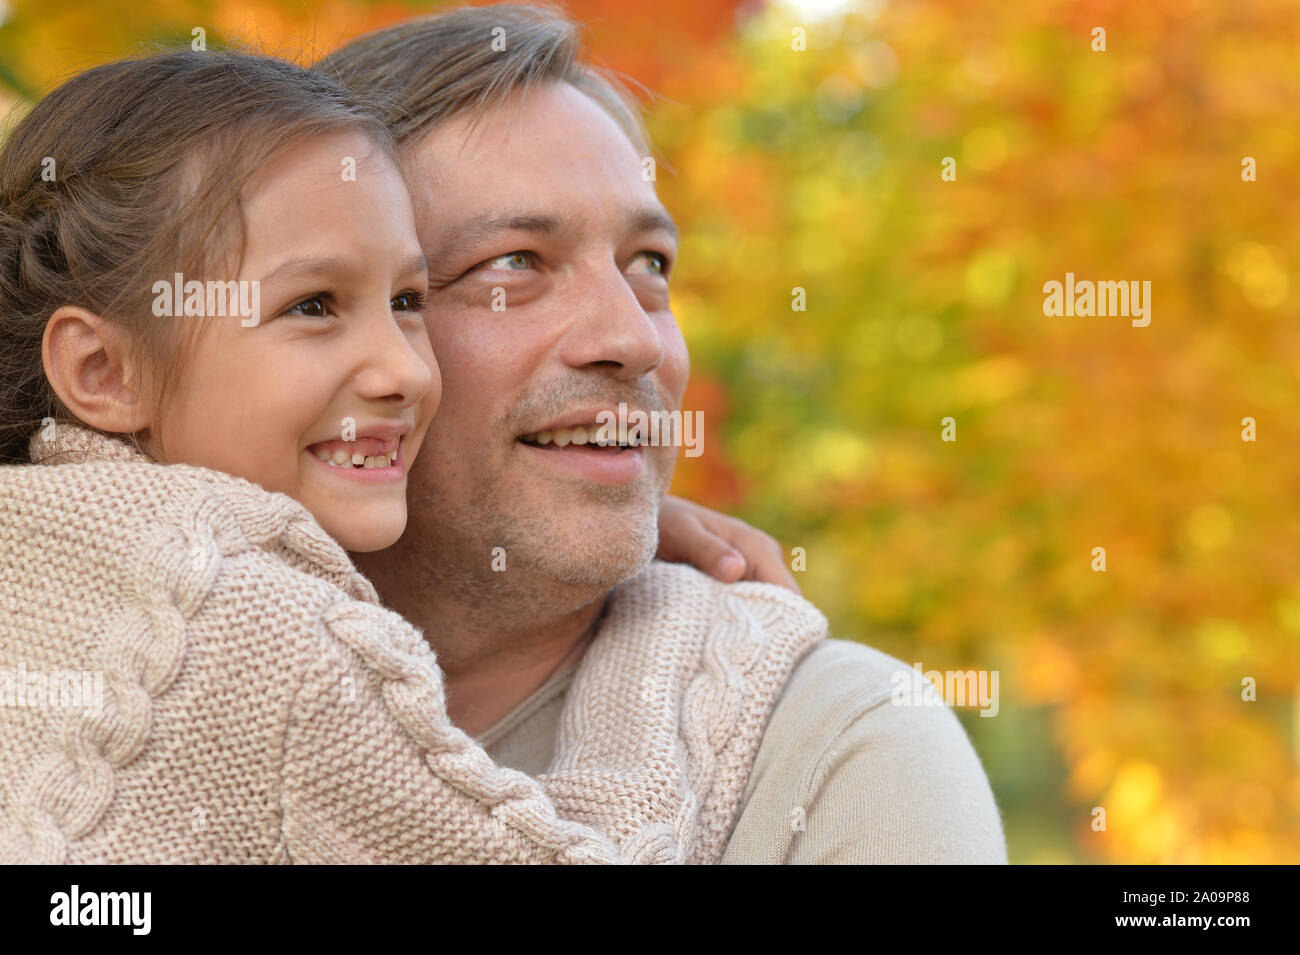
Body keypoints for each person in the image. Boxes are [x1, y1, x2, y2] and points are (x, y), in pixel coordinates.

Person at [0, 50, 809, 864]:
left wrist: (593, 494)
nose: (406, 370)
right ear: (103, 371)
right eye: (313, 305)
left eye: (407, 302)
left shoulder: (42, 553)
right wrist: (664, 624)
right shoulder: (270, 637)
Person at [323, 3, 1010, 863]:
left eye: (647, 265)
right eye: (515, 263)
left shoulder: (834, 753)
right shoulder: (138, 684)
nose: (636, 339)